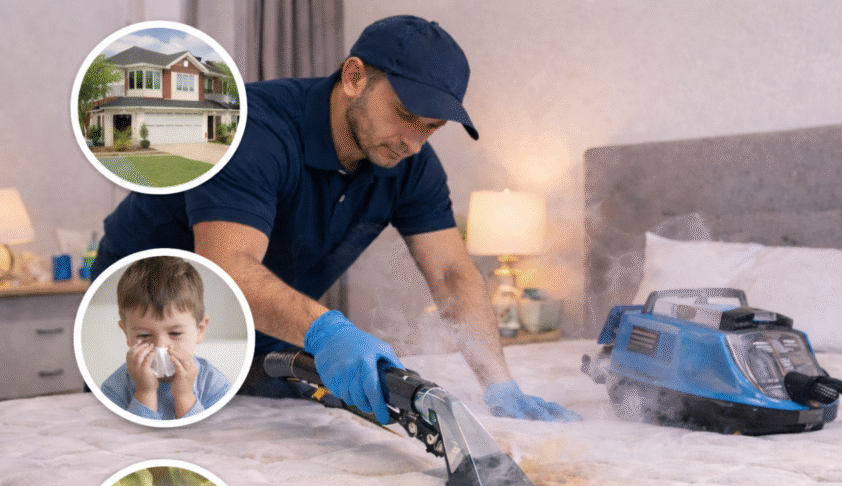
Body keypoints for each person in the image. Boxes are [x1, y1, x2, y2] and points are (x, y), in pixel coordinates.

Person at [91, 14, 579, 424]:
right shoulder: (251, 132)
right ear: (353, 78)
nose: (414, 141)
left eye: (431, 128)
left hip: (262, 326)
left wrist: (500, 386)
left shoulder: (410, 163)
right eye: (406, 115)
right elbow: (228, 271)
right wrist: (328, 330)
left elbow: (452, 275)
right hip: (149, 303)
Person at [101, 255, 233, 420]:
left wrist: (184, 395)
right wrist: (145, 392)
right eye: (144, 335)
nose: (160, 346)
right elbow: (127, 438)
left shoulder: (214, 384)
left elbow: (210, 437)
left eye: (175, 333)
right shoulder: (114, 388)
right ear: (127, 334)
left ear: (200, 330)